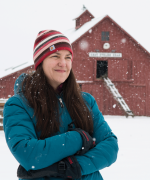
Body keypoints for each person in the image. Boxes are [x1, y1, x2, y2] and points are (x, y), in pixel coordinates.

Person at [3, 30, 119, 180]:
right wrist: (79, 138)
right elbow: (28, 154)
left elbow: (110, 147)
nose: (63, 63)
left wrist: (70, 167)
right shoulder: (19, 105)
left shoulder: (86, 101)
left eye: (68, 57)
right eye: (55, 56)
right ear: (40, 62)